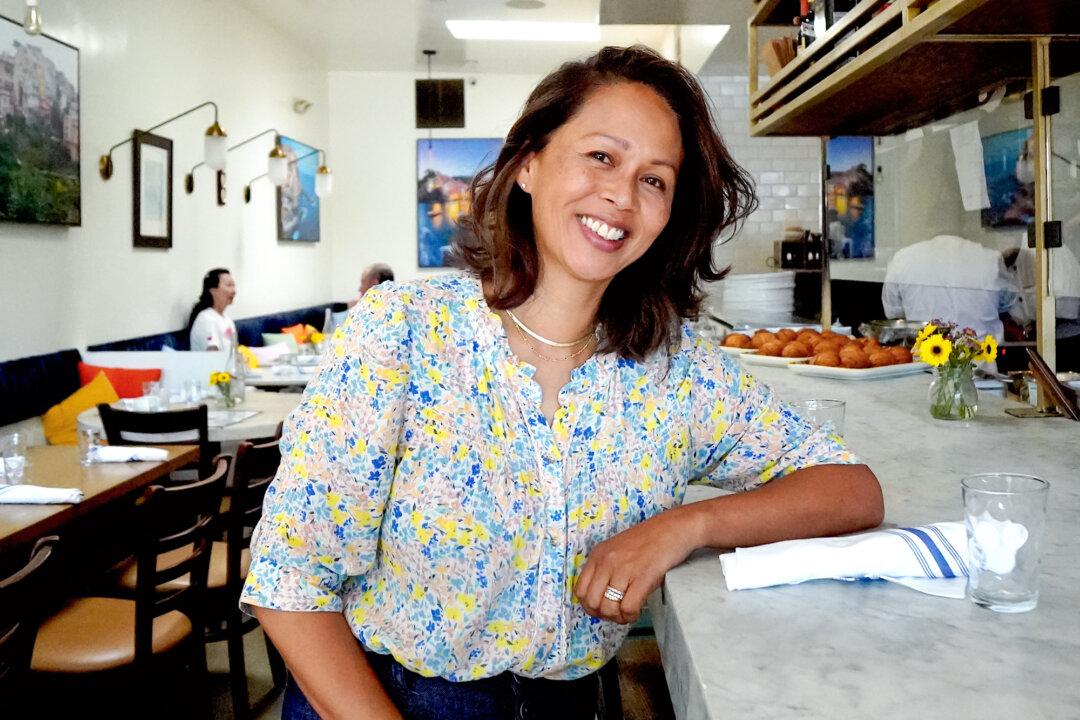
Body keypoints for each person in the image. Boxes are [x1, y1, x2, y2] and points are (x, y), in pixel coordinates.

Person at [243, 46, 883, 720]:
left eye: (655, 179)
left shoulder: (680, 371)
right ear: (529, 163)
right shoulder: (403, 334)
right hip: (381, 700)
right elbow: (288, 583)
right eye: (601, 157)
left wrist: (685, 526)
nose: (621, 194)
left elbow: (850, 488)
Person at [881, 234, 1018, 344]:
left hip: (924, 367)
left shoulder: (903, 258)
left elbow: (893, 313)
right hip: (983, 367)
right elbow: (1009, 302)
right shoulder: (990, 258)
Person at [187, 267, 237, 351]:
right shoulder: (206, 319)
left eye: (233, 285)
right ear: (213, 290)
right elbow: (214, 359)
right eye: (229, 285)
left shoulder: (227, 319)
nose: (234, 291)